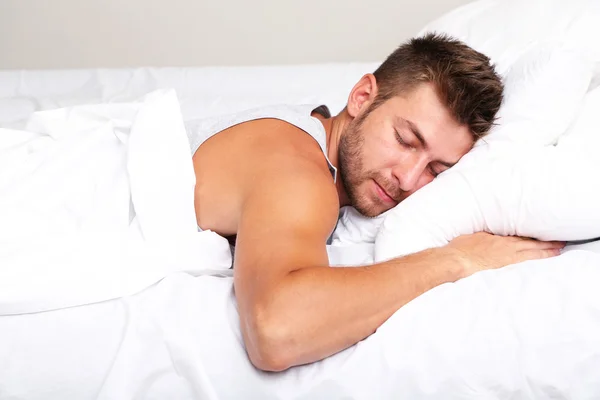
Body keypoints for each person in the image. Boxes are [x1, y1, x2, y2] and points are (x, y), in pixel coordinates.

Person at [185, 33, 565, 372]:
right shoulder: (301, 175)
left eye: (436, 168)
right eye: (405, 140)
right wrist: (457, 260)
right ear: (362, 97)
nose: (408, 178)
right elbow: (276, 330)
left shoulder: (314, 137)